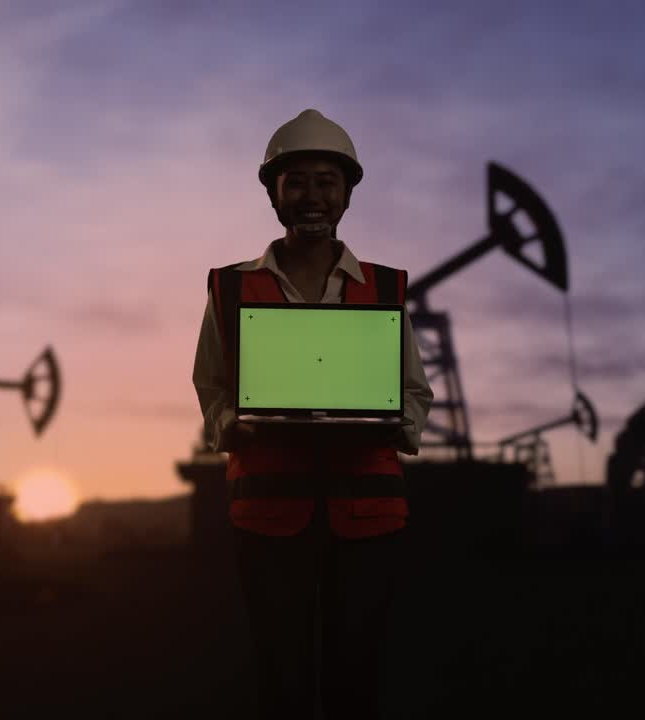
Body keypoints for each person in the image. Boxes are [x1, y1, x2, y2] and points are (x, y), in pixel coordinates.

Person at [192, 108, 433, 719]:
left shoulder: (383, 290)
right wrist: (231, 426)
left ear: (348, 193)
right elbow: (212, 386)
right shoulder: (229, 288)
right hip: (269, 516)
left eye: (327, 182)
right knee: (283, 680)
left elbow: (414, 392)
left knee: (357, 678)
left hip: (369, 517)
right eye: (295, 181)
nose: (311, 196)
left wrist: (395, 425)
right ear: (273, 191)